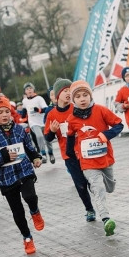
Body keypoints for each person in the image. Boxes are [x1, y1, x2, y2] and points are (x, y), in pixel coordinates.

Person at [0, 94, 45, 254]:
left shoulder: (19, 129)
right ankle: (27, 238)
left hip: (24, 171)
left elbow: (29, 147)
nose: (4, 115)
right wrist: (2, 156)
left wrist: (35, 157)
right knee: (17, 212)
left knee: (30, 197)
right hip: (7, 179)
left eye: (6, 111)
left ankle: (35, 211)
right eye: (0, 112)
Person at [65, 80, 124, 236]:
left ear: (90, 96)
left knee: (109, 187)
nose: (82, 99)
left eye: (85, 95)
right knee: (98, 189)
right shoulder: (71, 119)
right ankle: (106, 219)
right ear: (73, 100)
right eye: (78, 96)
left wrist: (106, 135)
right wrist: (71, 153)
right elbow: (70, 137)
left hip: (105, 158)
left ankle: (104, 186)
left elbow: (119, 124)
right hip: (87, 161)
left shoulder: (101, 110)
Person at [45, 79, 96, 222]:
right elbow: (48, 138)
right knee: (80, 184)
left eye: (70, 90)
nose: (68, 93)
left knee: (92, 180)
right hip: (69, 156)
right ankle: (89, 209)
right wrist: (52, 131)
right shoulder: (52, 114)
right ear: (57, 94)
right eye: (65, 91)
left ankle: (99, 201)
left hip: (85, 151)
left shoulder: (77, 107)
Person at [20, 82, 56, 163]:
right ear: (25, 92)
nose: (29, 90)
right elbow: (24, 110)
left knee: (47, 139)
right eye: (27, 89)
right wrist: (22, 117)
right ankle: (43, 154)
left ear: (33, 89)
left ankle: (50, 153)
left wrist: (39, 110)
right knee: (39, 136)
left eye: (30, 88)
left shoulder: (39, 98)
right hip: (33, 123)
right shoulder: (24, 101)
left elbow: (46, 109)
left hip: (43, 122)